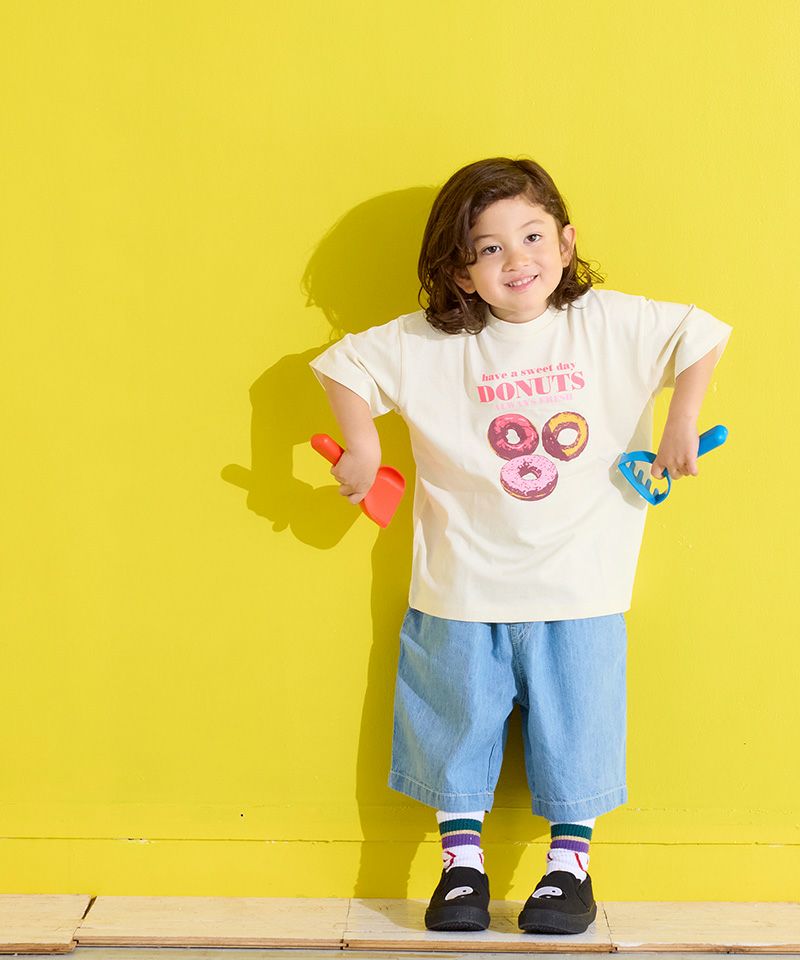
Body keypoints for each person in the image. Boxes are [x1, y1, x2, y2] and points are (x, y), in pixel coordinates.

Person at [308, 156, 732, 936]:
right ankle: (460, 868)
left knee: (580, 727)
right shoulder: (432, 342)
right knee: (453, 722)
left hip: (583, 583)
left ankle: (569, 870)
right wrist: (361, 446)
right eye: (490, 247)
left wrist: (682, 416)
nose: (517, 260)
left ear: (566, 243)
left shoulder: (604, 323)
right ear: (460, 272)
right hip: (460, 583)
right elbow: (343, 366)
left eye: (533, 236)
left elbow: (699, 333)